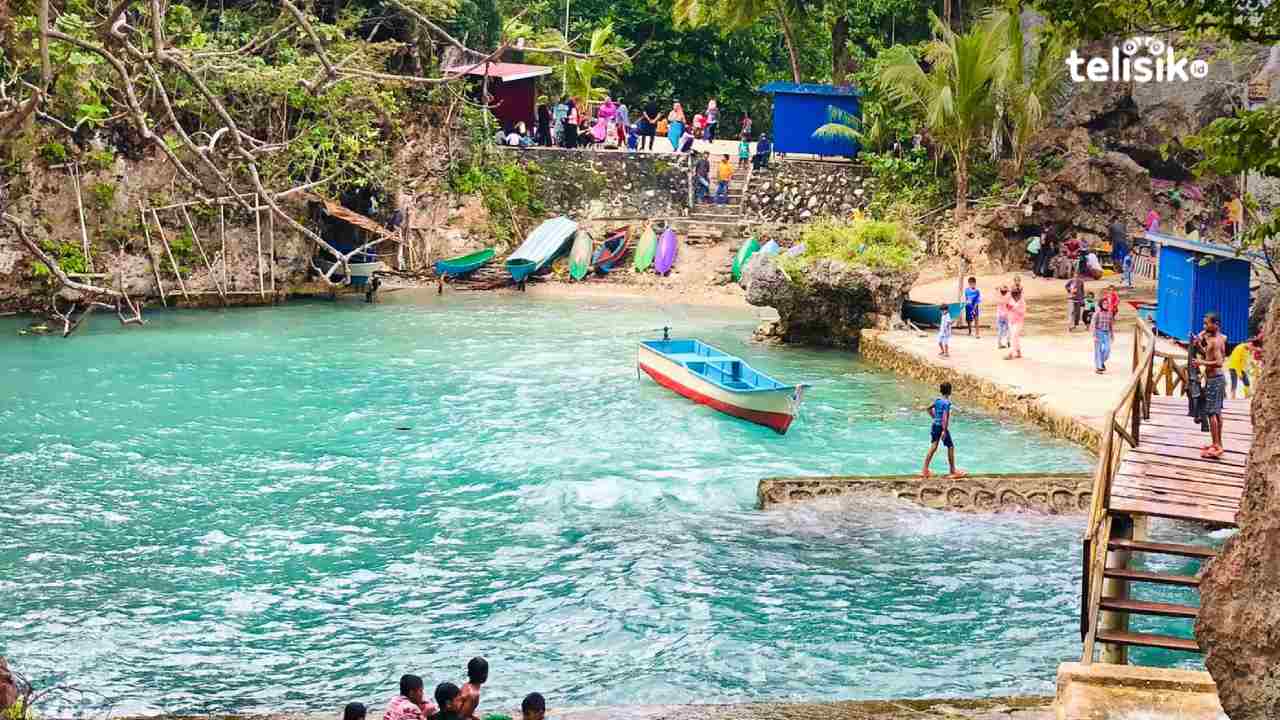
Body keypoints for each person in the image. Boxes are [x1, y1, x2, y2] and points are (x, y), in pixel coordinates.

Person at [1193, 313, 1228, 459]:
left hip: (1214, 379)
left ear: (1216, 324)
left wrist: (1201, 363)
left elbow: (1219, 362)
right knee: (1217, 412)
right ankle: (1217, 443)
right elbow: (1210, 354)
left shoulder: (1215, 341)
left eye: (1207, 324)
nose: (1204, 327)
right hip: (1218, 379)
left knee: (1212, 413)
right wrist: (1199, 345)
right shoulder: (1221, 338)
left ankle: (1216, 445)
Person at [922, 381, 964, 479]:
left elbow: (928, 409)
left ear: (941, 391)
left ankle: (925, 469)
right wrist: (944, 430)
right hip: (941, 427)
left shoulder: (937, 400)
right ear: (950, 391)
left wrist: (934, 417)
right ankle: (952, 470)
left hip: (934, 425)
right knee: (950, 447)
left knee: (933, 447)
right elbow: (945, 417)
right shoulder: (947, 403)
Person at [1091, 300, 1114, 373]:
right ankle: (1099, 367)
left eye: (1107, 303)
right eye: (1104, 303)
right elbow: (1093, 324)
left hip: (1106, 333)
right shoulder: (1097, 313)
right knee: (1098, 350)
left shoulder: (1110, 313)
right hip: (1099, 332)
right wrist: (1094, 335)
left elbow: (1110, 325)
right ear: (1100, 304)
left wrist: (1112, 334)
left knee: (1107, 350)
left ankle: (1101, 362)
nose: (1106, 305)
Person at [1005, 287, 1026, 360]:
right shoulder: (1011, 299)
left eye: (1016, 294)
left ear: (1019, 294)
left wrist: (1013, 308)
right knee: (1015, 337)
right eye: (1013, 294)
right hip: (1011, 321)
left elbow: (1022, 312)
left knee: (1013, 337)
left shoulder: (1022, 302)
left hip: (1018, 322)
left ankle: (1010, 353)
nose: (1015, 296)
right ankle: (1018, 352)